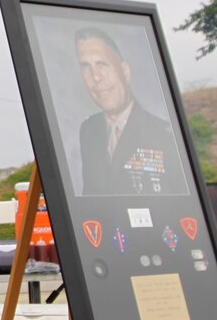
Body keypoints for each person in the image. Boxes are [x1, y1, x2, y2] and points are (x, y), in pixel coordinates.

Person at [75, 27, 187, 196]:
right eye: (86, 67)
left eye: (102, 64)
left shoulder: (164, 135)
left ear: (125, 72)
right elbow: (91, 196)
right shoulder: (89, 130)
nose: (95, 77)